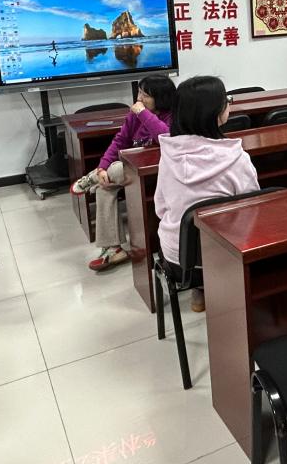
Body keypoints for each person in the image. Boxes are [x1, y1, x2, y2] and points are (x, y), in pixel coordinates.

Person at [154, 76, 259, 312]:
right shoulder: (237, 158)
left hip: (180, 259)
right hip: (228, 255)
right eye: (226, 100)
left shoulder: (167, 156)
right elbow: (253, 209)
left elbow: (160, 208)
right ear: (215, 113)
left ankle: (199, 291)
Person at [71, 75, 176, 271]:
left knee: (117, 169)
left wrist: (143, 113)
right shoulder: (135, 114)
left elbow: (165, 136)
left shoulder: (172, 115)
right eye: (139, 93)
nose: (139, 99)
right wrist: (102, 167)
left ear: (161, 98)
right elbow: (120, 141)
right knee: (104, 186)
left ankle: (92, 178)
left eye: (145, 95)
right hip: (132, 170)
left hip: (159, 173)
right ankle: (113, 249)